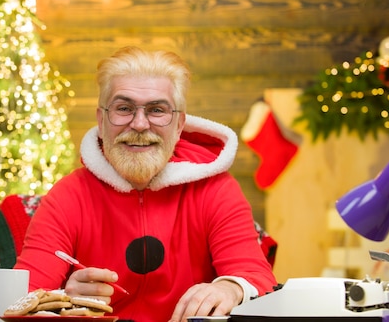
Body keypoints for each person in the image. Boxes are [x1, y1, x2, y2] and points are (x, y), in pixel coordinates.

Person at [14, 46, 277, 321]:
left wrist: (230, 288)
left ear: (178, 125)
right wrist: (62, 300)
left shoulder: (216, 189)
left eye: (157, 110)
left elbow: (259, 279)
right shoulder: (69, 196)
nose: (139, 124)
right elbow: (21, 301)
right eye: (124, 108)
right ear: (101, 120)